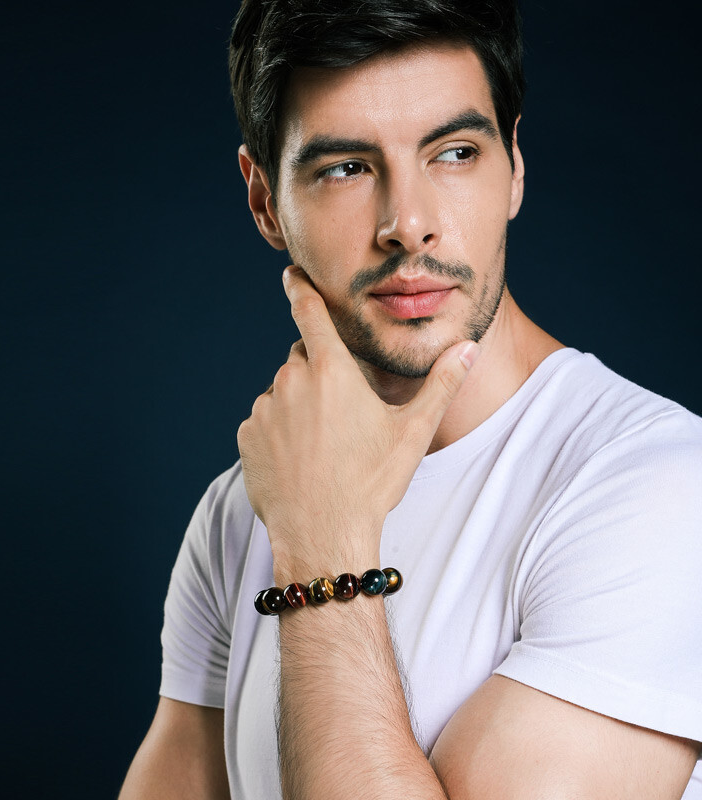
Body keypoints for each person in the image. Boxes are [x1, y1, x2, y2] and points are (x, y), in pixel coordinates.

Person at [119, 1, 702, 797]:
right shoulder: (242, 509)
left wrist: (323, 546)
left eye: (455, 152)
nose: (409, 224)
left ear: (515, 167)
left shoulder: (661, 487)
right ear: (263, 200)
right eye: (346, 167)